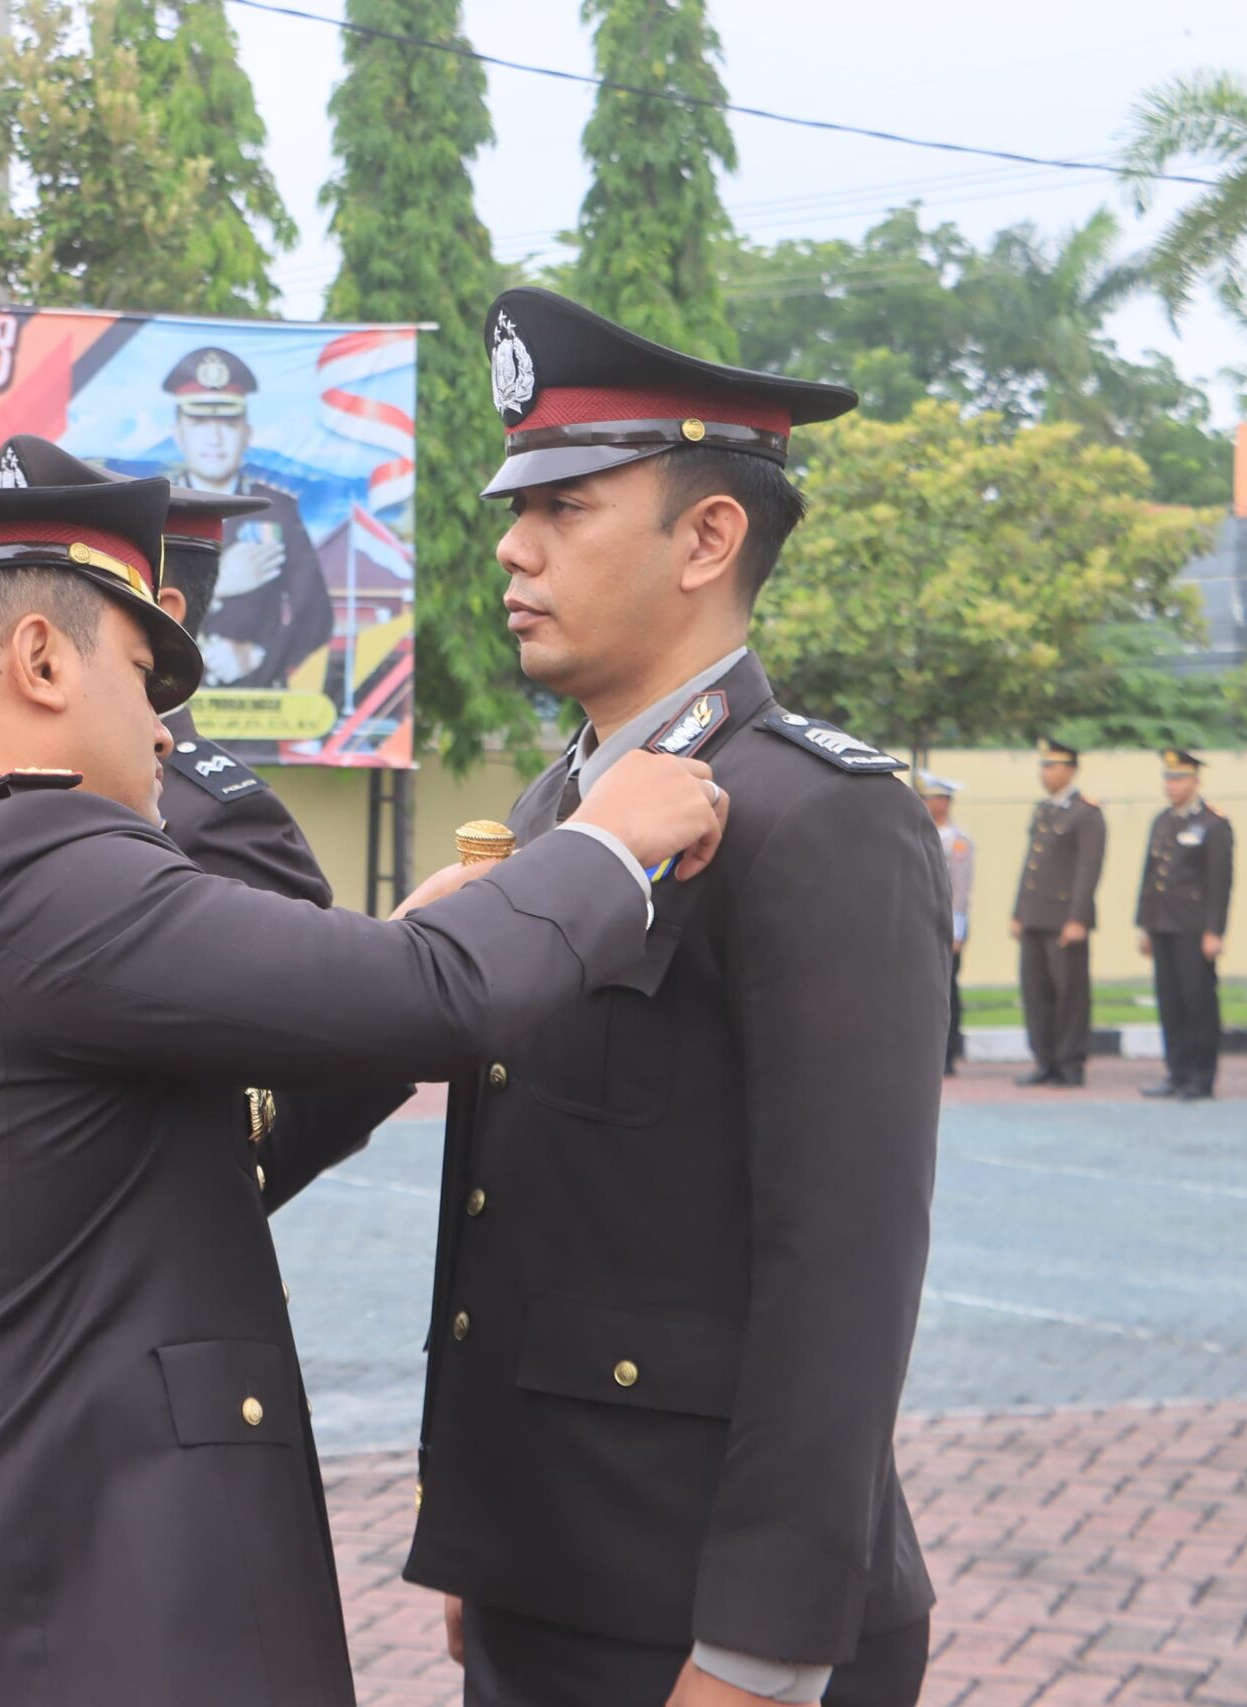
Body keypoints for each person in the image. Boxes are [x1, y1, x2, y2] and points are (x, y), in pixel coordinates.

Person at [0, 471, 727, 1706]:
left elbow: (203, 1143)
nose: (169, 730)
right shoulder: (32, 856)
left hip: (21, 1591)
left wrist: (411, 950)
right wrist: (605, 842)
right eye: (142, 673)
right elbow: (442, 996)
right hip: (97, 1618)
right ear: (40, 660)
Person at [410, 287, 945, 1707]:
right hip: (549, 1571)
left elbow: (844, 1264)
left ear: (709, 537)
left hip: (704, 1621)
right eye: (515, 507)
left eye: (568, 505)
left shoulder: (817, 815)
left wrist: (761, 1649)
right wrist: (484, 1540)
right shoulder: (559, 808)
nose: (513, 548)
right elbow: (523, 1216)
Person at [0, 431, 414, 1207]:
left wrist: (187, 1210)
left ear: (162, 616)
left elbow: (331, 1062)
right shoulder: (4, 801)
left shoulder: (209, 814)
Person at [163, 345, 333, 692]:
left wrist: (261, 654)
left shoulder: (277, 510)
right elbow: (131, 606)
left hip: (254, 709)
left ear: (247, 433)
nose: (214, 437)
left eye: (227, 421)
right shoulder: (158, 509)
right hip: (167, 705)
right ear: (178, 432)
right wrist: (218, 583)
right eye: (198, 421)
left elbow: (316, 613)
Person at [1134, 747, 1232, 1101]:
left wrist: (1214, 930)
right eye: (1168, 777)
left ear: (1195, 780)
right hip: (1162, 924)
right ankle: (1176, 1073)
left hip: (1194, 927)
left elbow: (1220, 883)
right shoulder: (1163, 821)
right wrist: (1144, 924)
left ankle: (1200, 1077)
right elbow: (1150, 876)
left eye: (1179, 778)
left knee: (1197, 1002)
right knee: (1170, 1001)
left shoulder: (1213, 823)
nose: (1171, 784)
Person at [1011, 738, 1106, 1088]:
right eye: (1043, 766)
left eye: (1052, 766)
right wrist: (1019, 910)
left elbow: (1088, 869)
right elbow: (1031, 865)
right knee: (1035, 992)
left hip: (1064, 919)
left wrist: (1078, 918)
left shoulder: (1086, 812)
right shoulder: (1044, 810)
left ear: (1070, 769)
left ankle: (1070, 1062)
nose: (1045, 772)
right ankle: (1045, 1060)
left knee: (1070, 993)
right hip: (1036, 915)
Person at [921, 773, 972, 1075]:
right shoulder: (921, 834)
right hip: (923, 925)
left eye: (932, 798)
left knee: (947, 991)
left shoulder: (958, 842)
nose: (928, 804)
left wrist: (958, 930)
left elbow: (962, 891)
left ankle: (949, 1054)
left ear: (944, 802)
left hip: (948, 926)